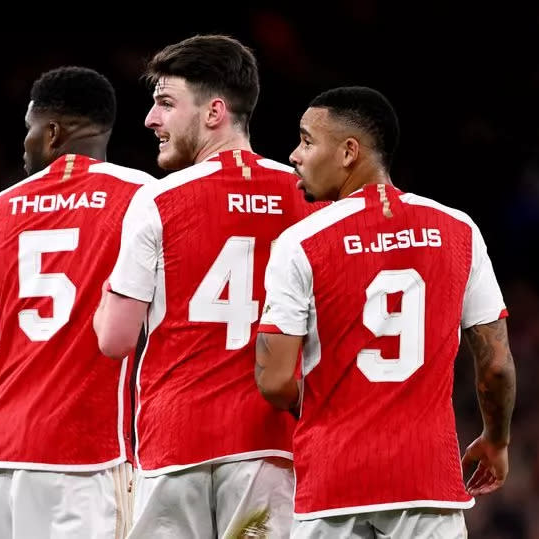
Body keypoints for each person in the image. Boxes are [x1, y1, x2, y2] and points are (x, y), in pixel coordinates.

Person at [255, 86, 516, 538]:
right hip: (427, 484)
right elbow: (495, 366)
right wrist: (496, 440)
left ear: (348, 152)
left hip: (333, 486)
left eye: (307, 140)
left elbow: (275, 380)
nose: (295, 155)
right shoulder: (459, 230)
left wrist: (335, 412)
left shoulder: (302, 242)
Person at [93, 34, 322, 539]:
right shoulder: (307, 200)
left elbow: (114, 339)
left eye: (166, 103)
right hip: (272, 448)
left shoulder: (157, 201)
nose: (151, 119)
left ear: (215, 111)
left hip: (176, 444)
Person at [0, 66, 154, 538]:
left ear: (53, 131)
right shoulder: (144, 198)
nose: (25, 145)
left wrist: (37, 374)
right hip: (87, 458)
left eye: (29, 130)